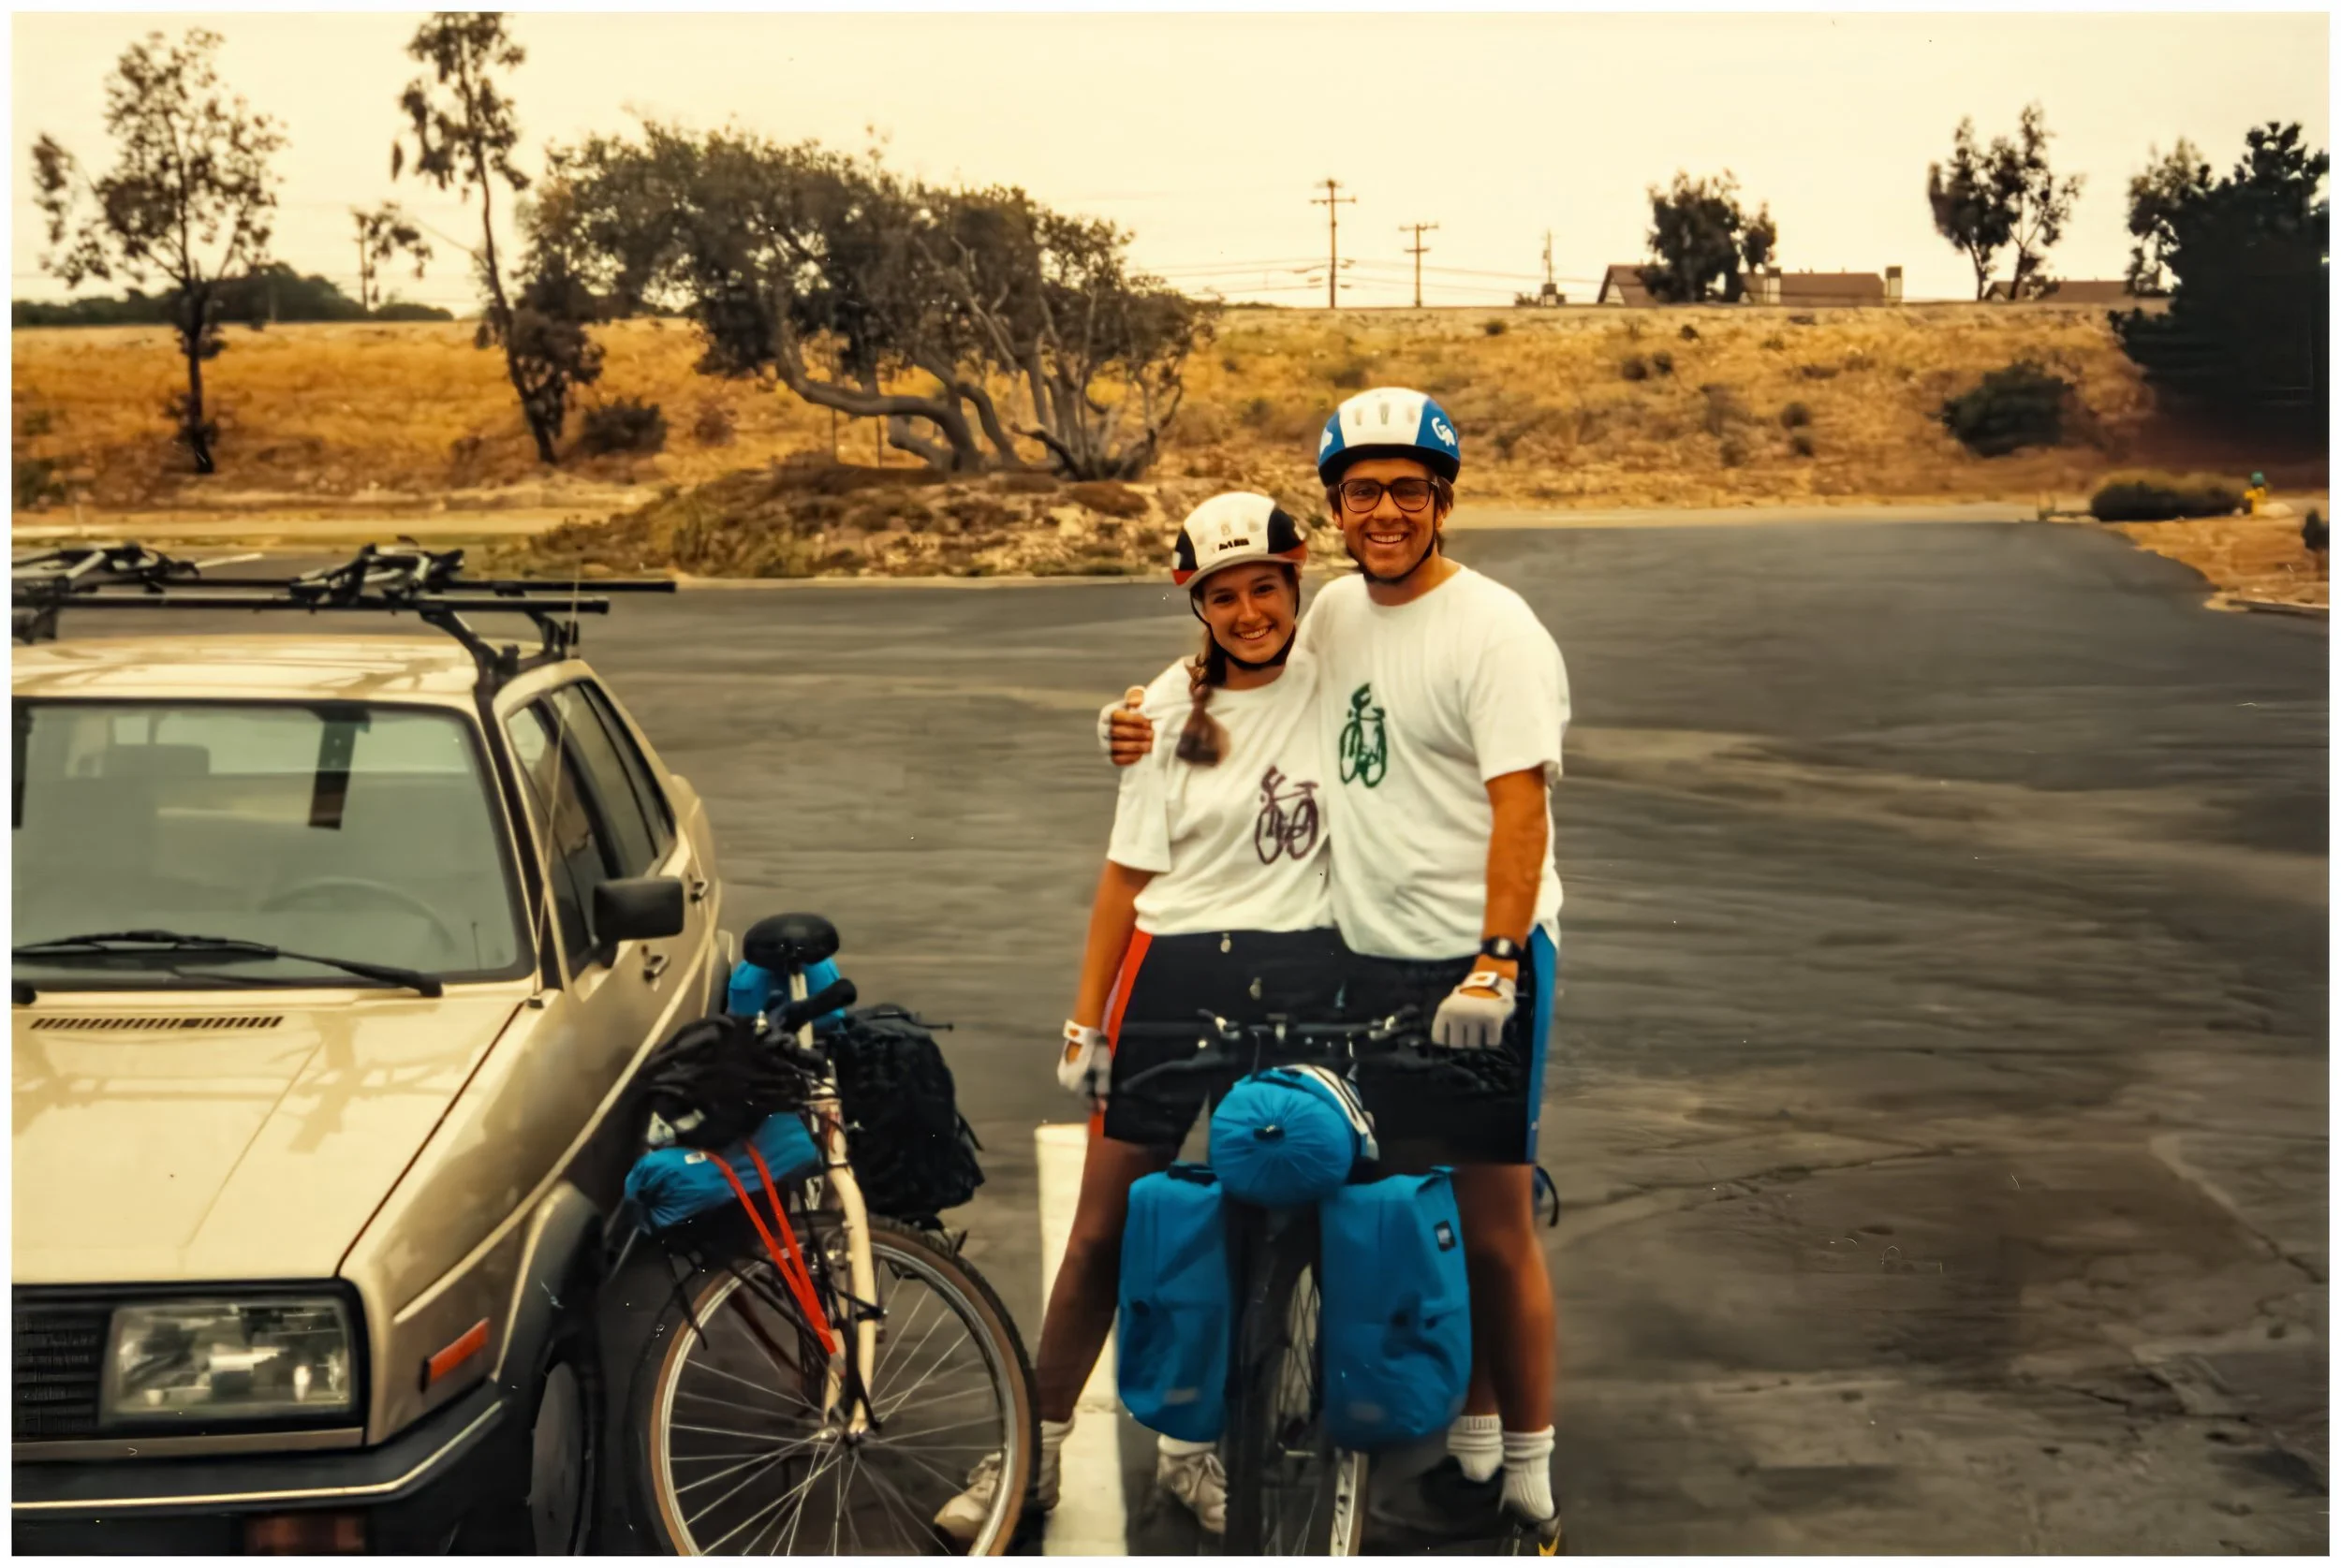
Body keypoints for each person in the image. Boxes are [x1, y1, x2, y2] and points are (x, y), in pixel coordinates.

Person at [1102, 387, 1570, 1552]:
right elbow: (1227, 652)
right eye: (1361, 492)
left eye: (1408, 490)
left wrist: (1499, 963)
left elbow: (1522, 809)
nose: (1385, 512)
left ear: (1444, 501)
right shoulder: (1340, 617)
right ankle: (1461, 1442)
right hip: (1367, 958)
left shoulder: (1497, 629)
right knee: (1416, 1212)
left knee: (1496, 1213)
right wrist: (1132, 718)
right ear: (1336, 509)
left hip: (1477, 961)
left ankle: (1527, 1483)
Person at [936, 491, 1339, 1545]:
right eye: (1223, 596)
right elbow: (1126, 875)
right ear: (1196, 606)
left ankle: (1197, 1452)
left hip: (1302, 979)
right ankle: (1034, 1448)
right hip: (1172, 977)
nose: (1248, 611)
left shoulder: (1345, 672)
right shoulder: (1164, 706)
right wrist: (1085, 1020)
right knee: (1104, 1233)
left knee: (1266, 1230)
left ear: (1297, 583)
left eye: (1264, 588)